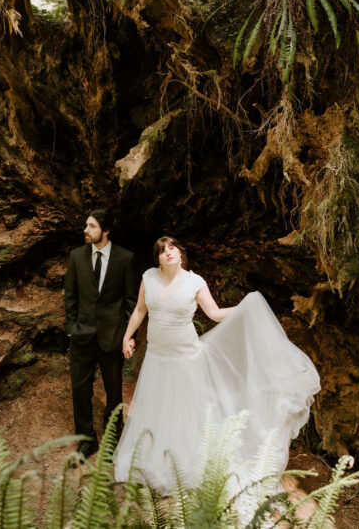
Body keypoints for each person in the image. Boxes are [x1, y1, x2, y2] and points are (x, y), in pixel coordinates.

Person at [112, 236, 321, 494]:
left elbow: (214, 313)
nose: (168, 253)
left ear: (180, 253)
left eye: (172, 248)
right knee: (158, 408)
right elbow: (140, 311)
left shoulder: (194, 282)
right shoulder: (149, 279)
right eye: (162, 251)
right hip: (157, 357)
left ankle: (186, 463)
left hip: (186, 358)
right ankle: (158, 460)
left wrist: (246, 307)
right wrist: (127, 335)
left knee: (186, 412)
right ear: (158, 258)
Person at [64, 210, 137, 457]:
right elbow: (70, 297)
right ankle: (86, 439)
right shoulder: (76, 257)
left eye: (92, 226)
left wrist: (126, 334)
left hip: (112, 337)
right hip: (81, 336)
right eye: (86, 225)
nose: (86, 230)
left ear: (106, 231)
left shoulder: (125, 258)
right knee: (80, 389)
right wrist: (71, 329)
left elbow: (131, 301)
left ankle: (112, 437)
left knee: (114, 389)